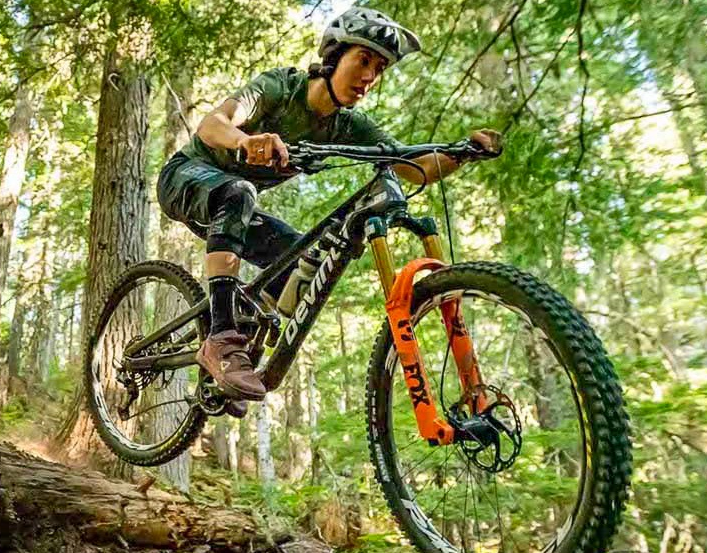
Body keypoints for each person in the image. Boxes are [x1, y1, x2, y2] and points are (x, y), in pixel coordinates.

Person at [156, 7, 504, 411]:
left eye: (379, 69)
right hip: (186, 177)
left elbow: (414, 168)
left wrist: (464, 152)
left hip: (235, 207)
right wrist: (245, 141)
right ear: (334, 56)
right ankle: (220, 337)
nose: (370, 77)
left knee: (299, 258)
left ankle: (230, 361)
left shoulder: (348, 125)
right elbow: (212, 125)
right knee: (239, 191)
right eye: (363, 61)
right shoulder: (279, 87)